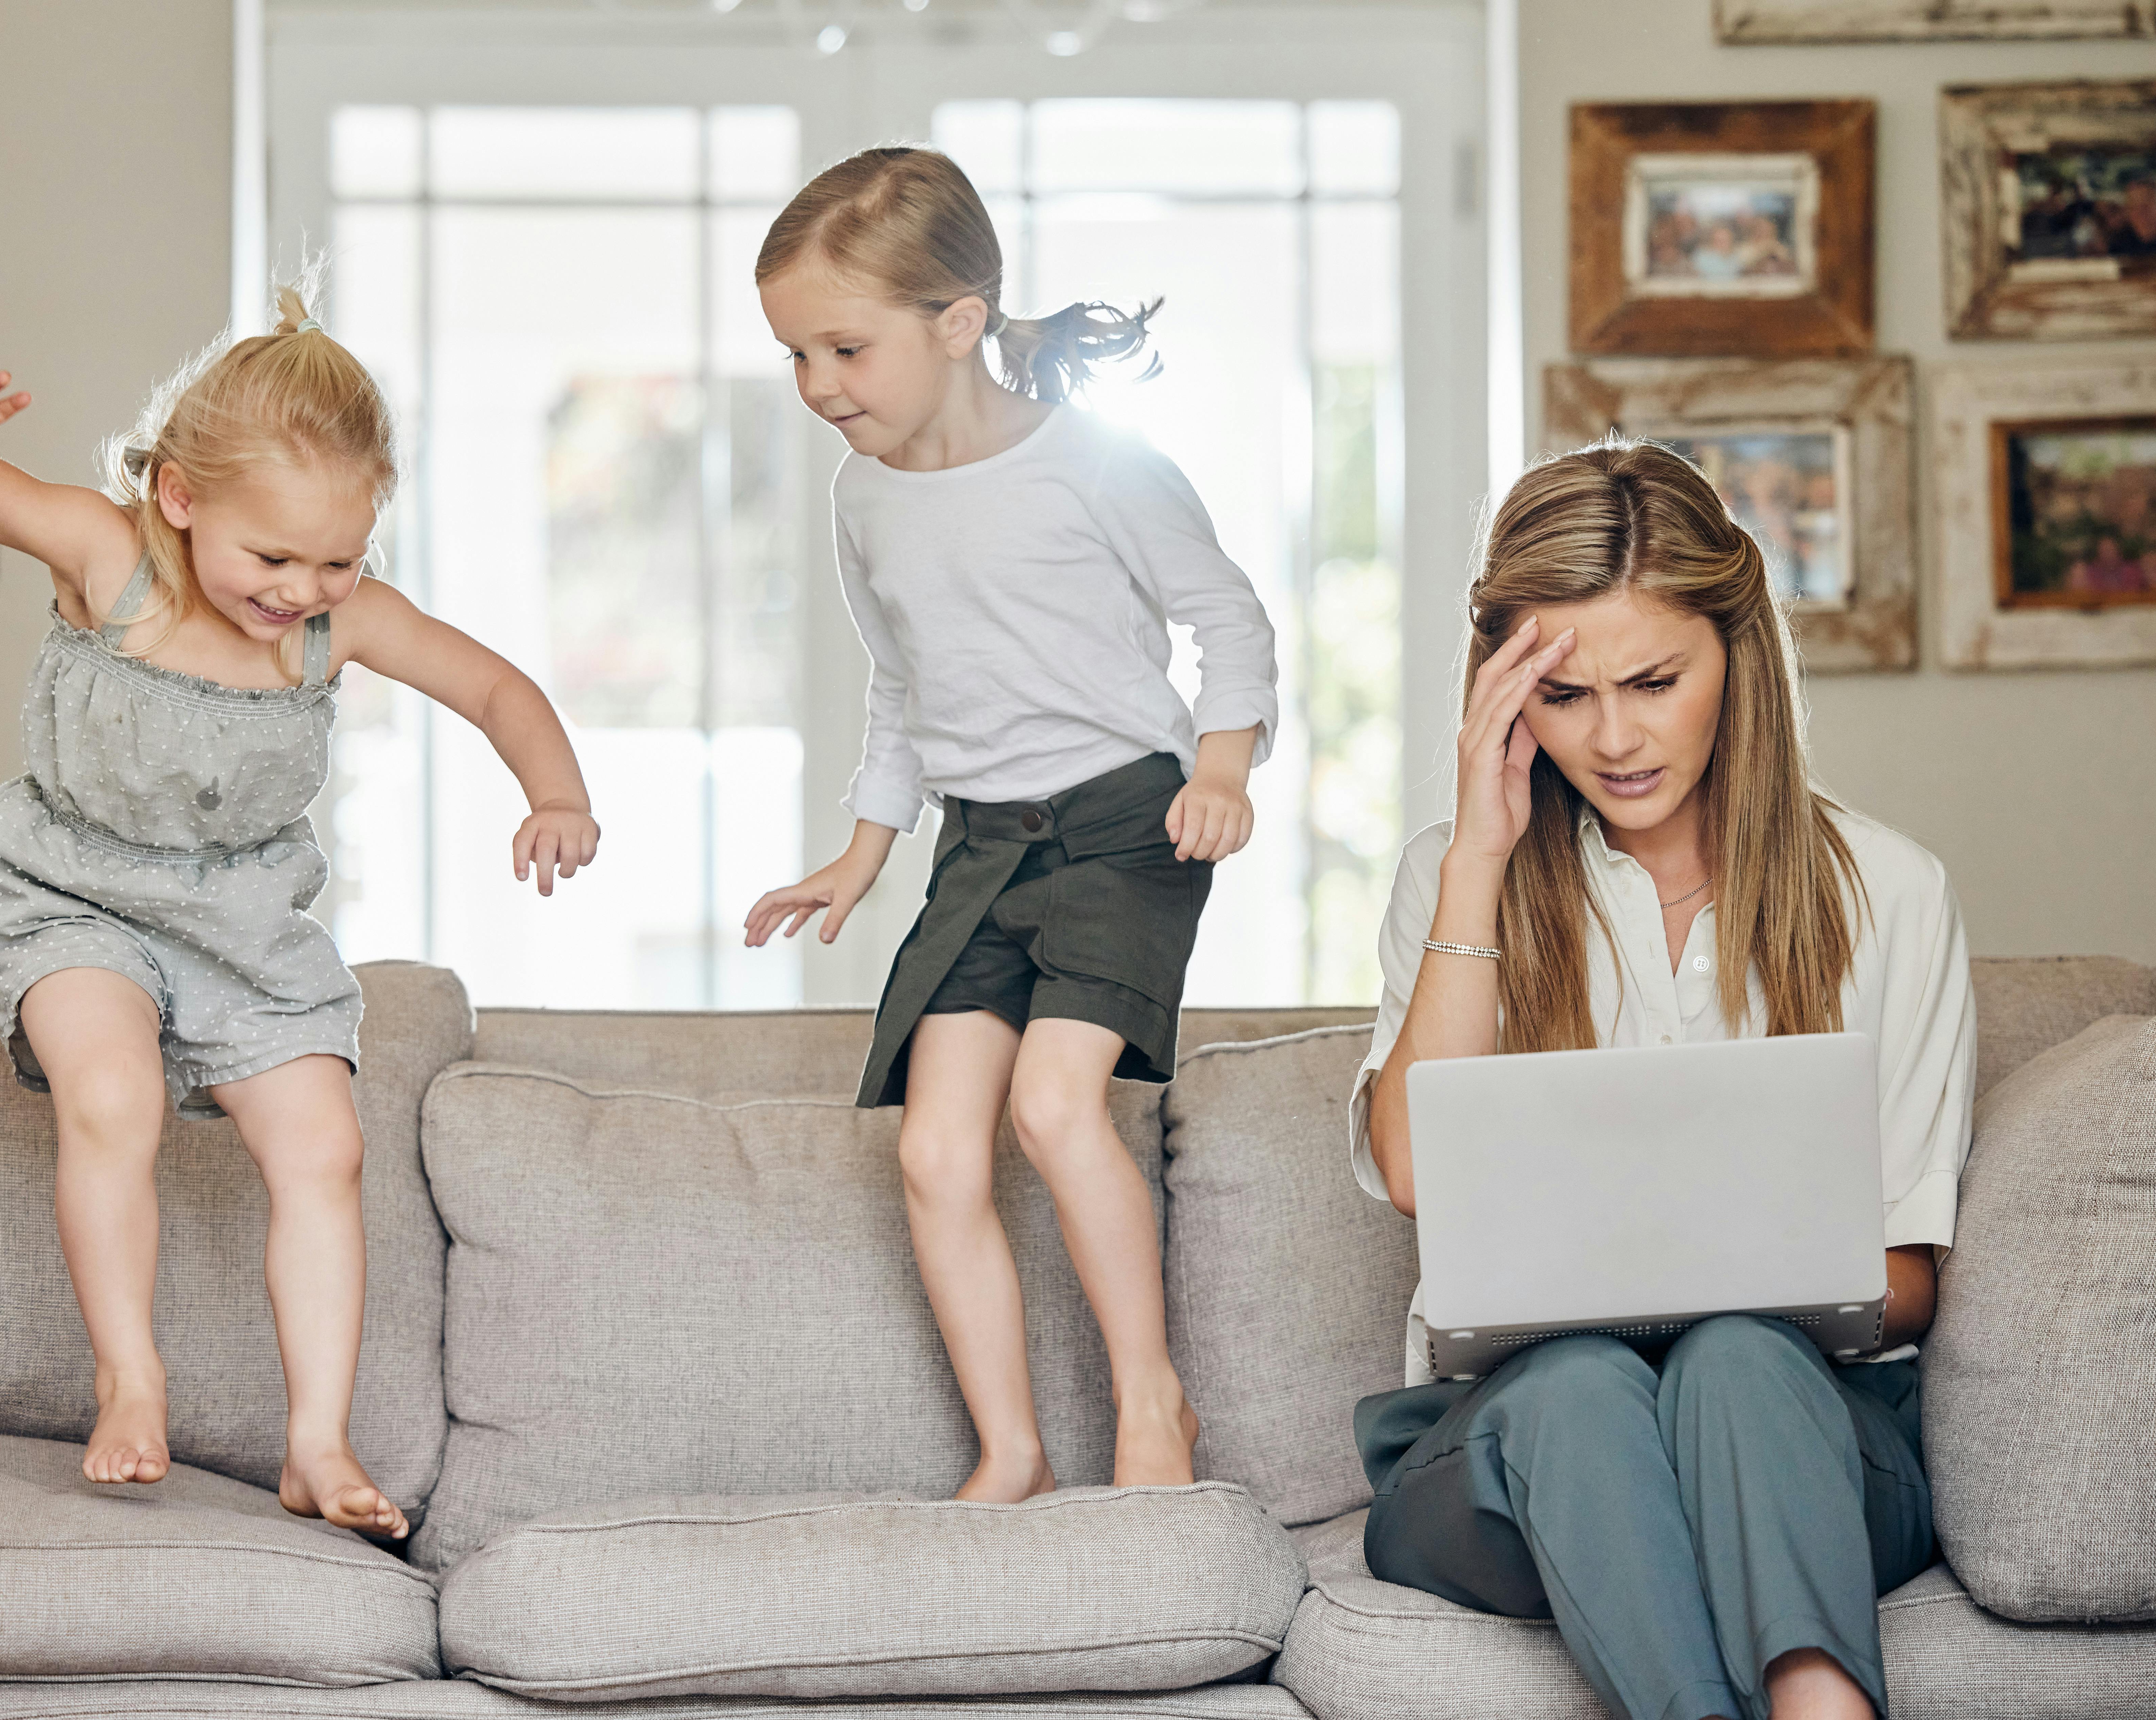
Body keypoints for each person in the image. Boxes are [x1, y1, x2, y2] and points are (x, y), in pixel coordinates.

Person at [0, 286, 600, 1535]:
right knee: (114, 1096)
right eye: (271, 558)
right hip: (75, 894)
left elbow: (494, 688)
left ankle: (315, 1441)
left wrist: (557, 791)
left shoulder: (340, 623)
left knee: (326, 1146)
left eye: (338, 559)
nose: (300, 590)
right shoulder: (106, 558)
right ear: (178, 496)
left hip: (242, 926)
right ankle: (129, 1378)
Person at [1349, 441, 1975, 1720]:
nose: (1617, 738)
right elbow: (1414, 1174)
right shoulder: (1451, 876)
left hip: (1795, 1443)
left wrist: (1730, 1294)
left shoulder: (1890, 890)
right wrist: (1478, 855)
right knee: (1581, 1384)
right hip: (1520, 1455)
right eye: (1566, 696)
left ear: (1736, 658)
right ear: (1503, 695)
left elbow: (1909, 1277)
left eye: (1654, 680)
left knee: (1735, 1359)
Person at [740, 147, 1279, 1502]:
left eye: (844, 349)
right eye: (797, 356)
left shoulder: (1097, 469)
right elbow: (903, 687)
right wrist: (865, 855)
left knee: (1052, 1104)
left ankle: (1154, 1406)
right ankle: (1013, 1450)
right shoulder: (864, 498)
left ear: (958, 322)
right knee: (932, 1144)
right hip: (980, 843)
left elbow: (1228, 620)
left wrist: (1223, 771)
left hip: (1123, 826)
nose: (818, 387)